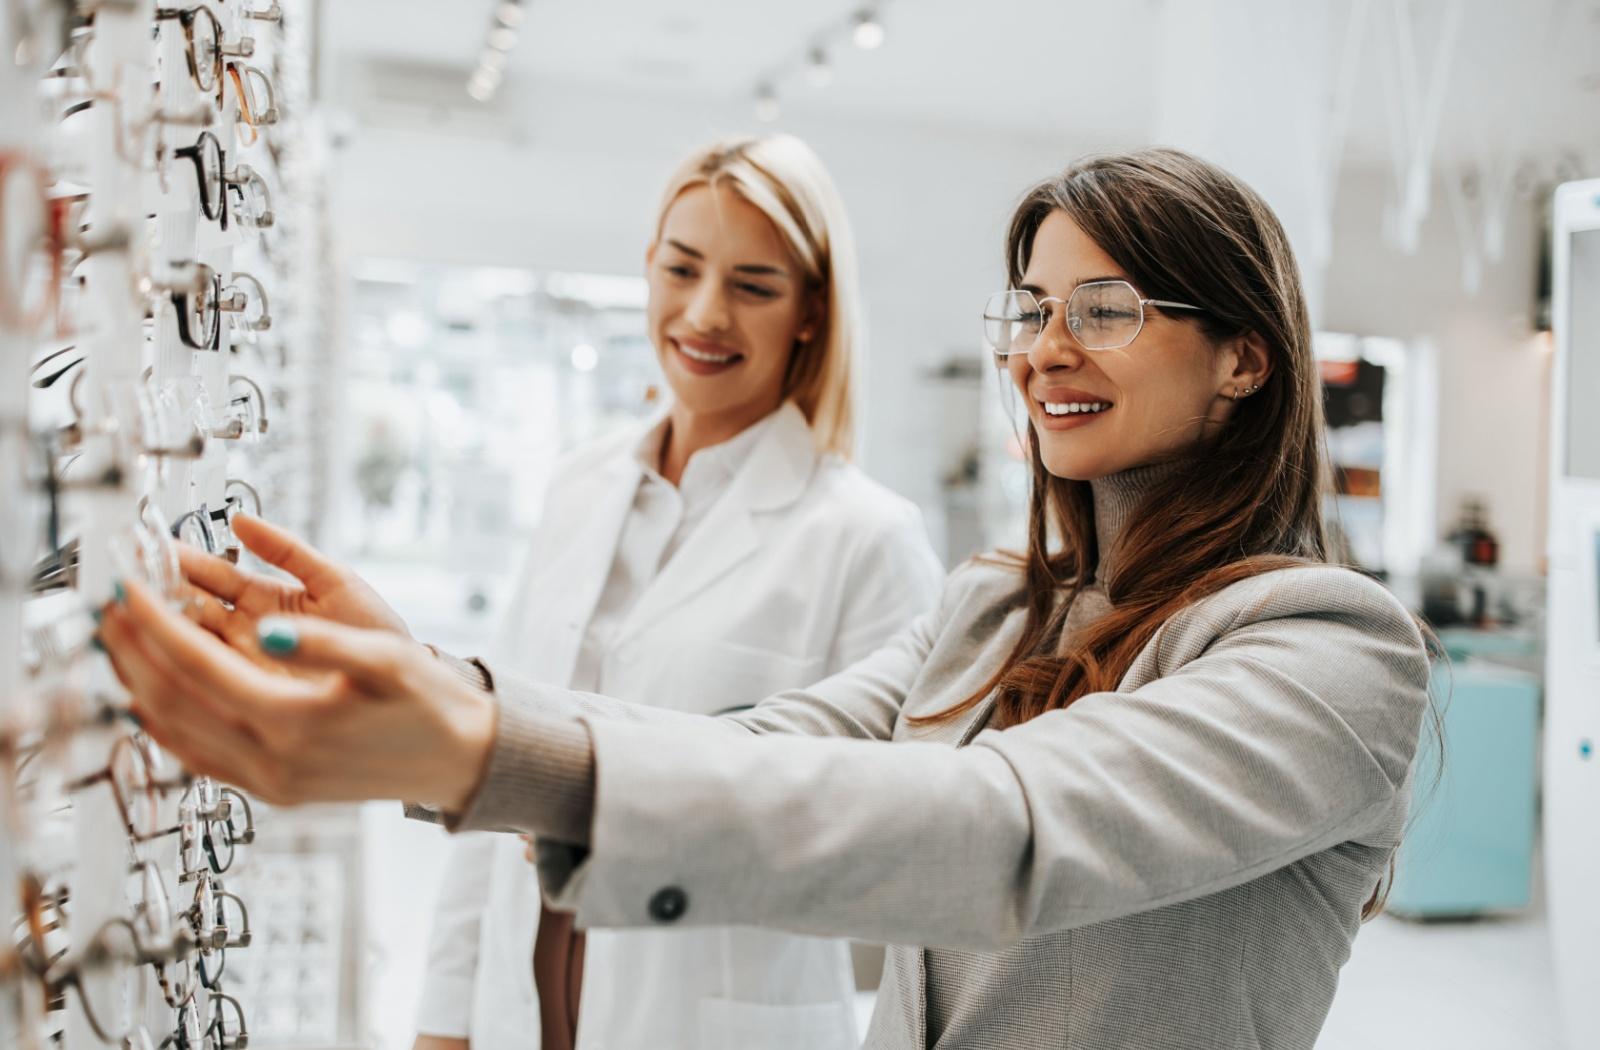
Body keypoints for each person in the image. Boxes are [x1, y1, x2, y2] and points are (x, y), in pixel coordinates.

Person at [100, 147, 1433, 1049]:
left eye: (1105, 304)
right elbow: (763, 742)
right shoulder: (999, 607)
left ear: (1246, 358)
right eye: (1027, 308)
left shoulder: (1330, 651)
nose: (1046, 347)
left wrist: (477, 746)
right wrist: (452, 692)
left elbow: (1004, 827)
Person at [408, 134, 942, 1050]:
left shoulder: (867, 539)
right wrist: (443, 1022)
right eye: (681, 268)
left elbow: (898, 849)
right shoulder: (579, 488)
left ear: (811, 310)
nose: (704, 314)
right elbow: (494, 772)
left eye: (753, 286)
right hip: (521, 1004)